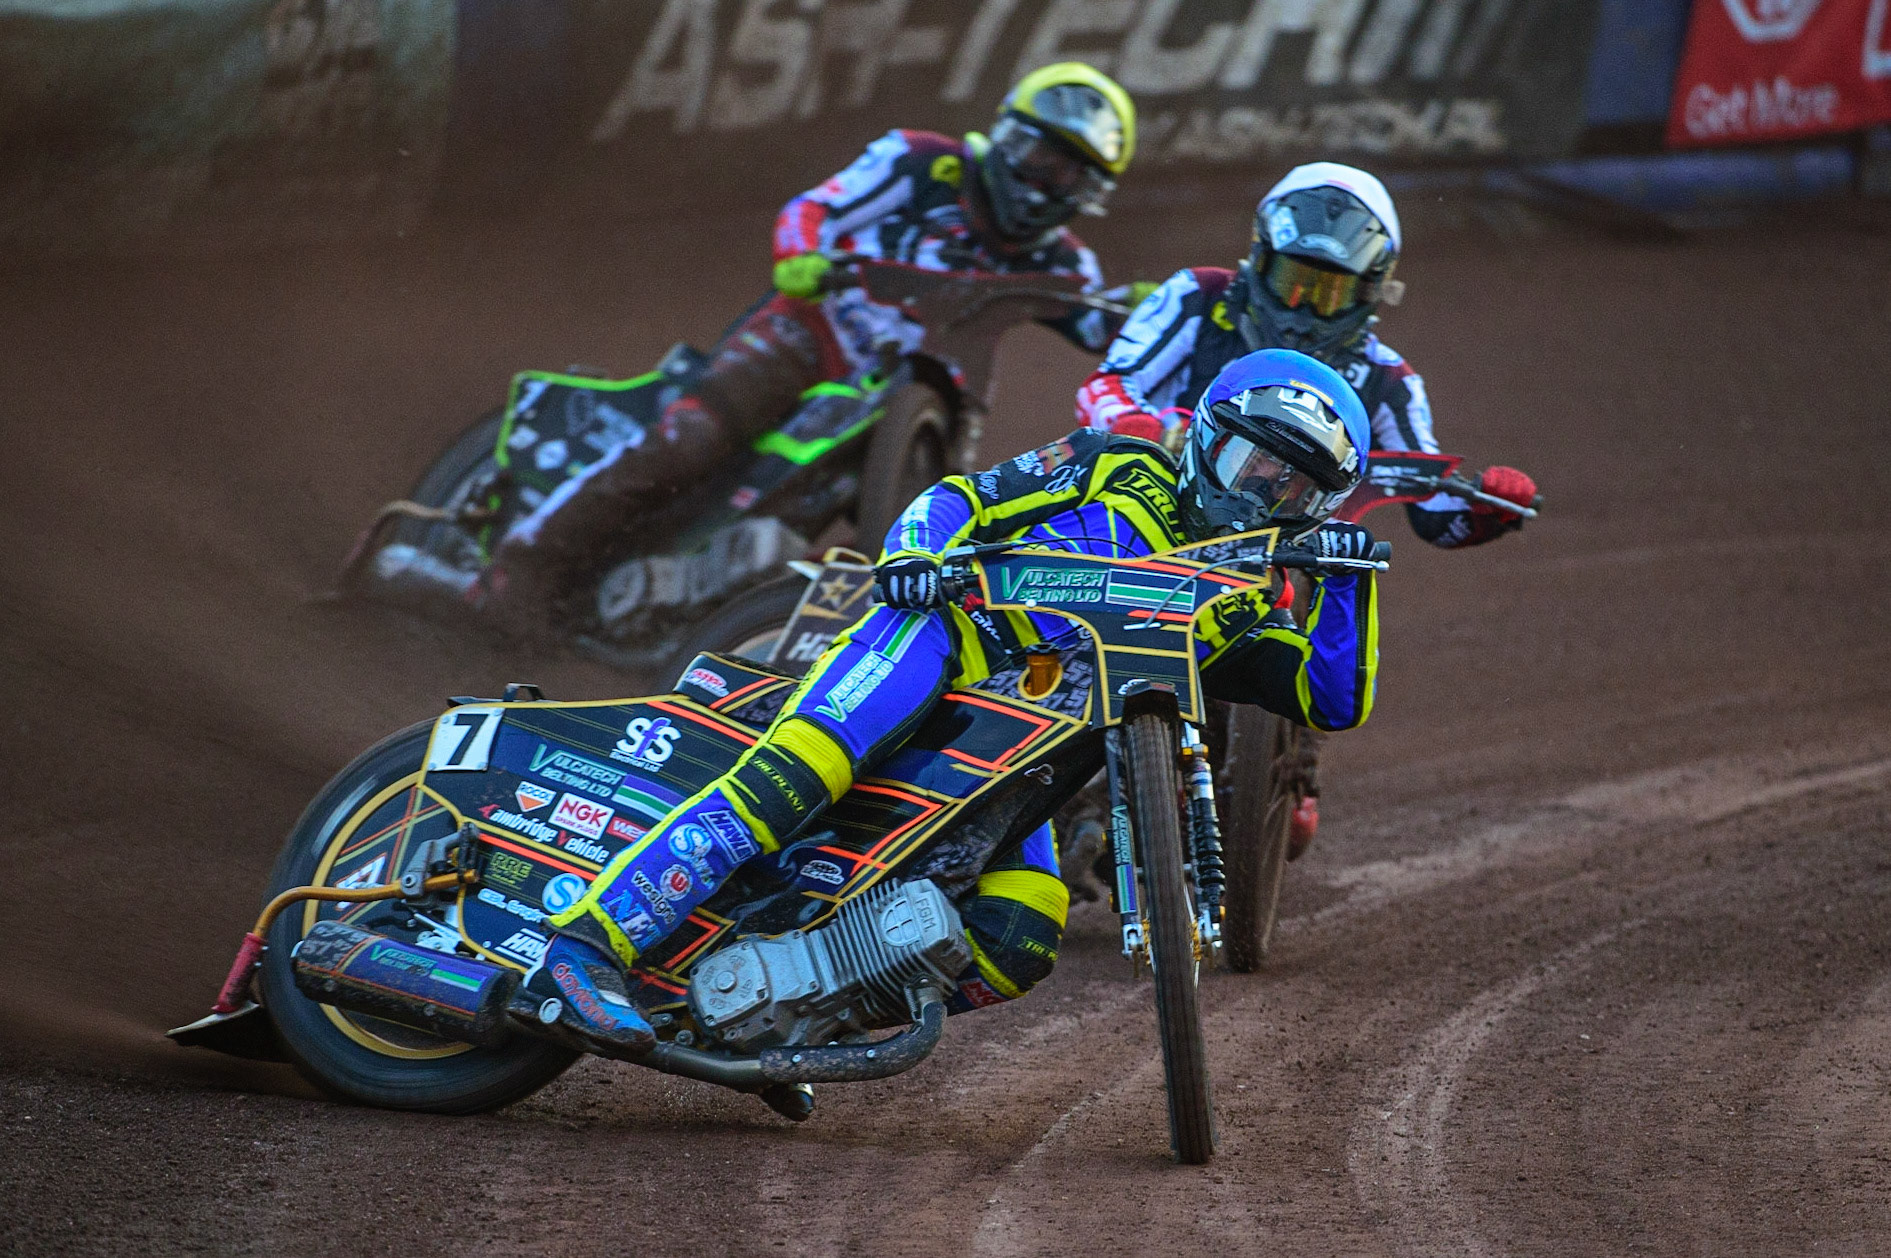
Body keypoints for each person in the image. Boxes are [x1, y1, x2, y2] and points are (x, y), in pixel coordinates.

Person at [523, 348, 1384, 1052]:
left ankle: (789, 1024)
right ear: (1207, 435)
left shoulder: (1236, 605)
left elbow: (1328, 698)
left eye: (1292, 489)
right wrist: (911, 554)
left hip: (1028, 759)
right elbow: (959, 497)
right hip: (940, 644)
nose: (1260, 494)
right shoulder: (1114, 462)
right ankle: (585, 946)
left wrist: (1348, 583)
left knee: (1019, 938)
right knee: (803, 771)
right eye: (1254, 463)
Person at [473, 62, 1141, 635]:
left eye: (1069, 179)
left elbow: (1109, 334)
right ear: (1004, 135)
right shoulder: (920, 163)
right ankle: (521, 562)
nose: (1043, 185)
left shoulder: (1065, 267)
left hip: (931, 402)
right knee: (689, 438)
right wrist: (801, 257)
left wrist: (1149, 311)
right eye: (1038, 159)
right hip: (809, 337)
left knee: (930, 540)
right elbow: (815, 208)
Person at [1075, 162, 1538, 856]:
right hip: (1166, 514)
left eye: (1328, 293)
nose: (1302, 309)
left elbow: (1433, 509)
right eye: (1296, 282)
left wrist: (1489, 508)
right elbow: (1107, 384)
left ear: (1371, 293)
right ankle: (1070, 746)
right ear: (1259, 259)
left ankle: (1294, 759)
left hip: (1294, 546)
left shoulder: (1388, 378)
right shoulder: (1196, 299)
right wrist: (1139, 423)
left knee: (1331, 587)